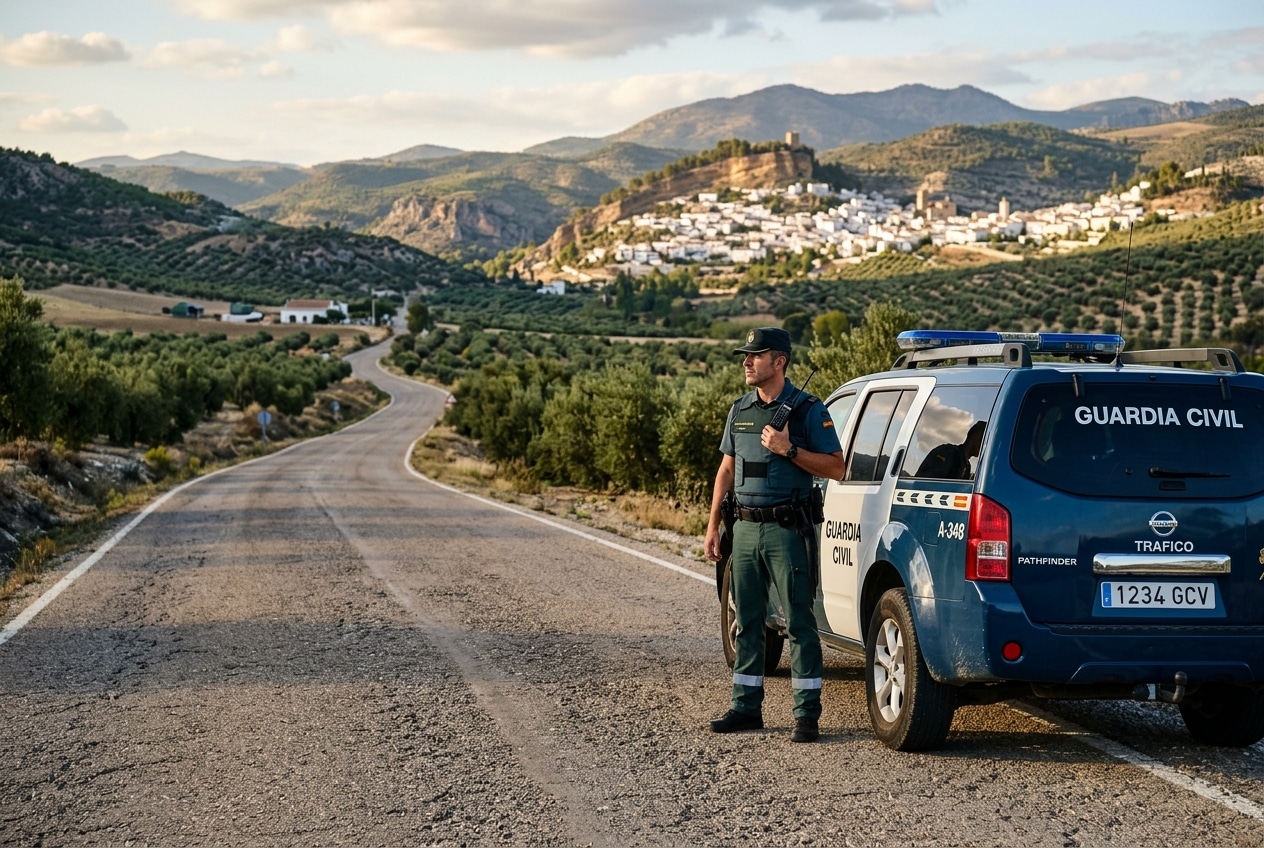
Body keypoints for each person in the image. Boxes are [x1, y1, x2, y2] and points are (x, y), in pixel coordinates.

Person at [704, 327, 846, 743]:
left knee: (800, 622)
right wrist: (713, 525)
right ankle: (746, 708)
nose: (746, 362)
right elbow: (726, 470)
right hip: (744, 529)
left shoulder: (807, 410)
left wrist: (789, 450)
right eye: (745, 355)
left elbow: (837, 467)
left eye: (755, 354)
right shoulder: (740, 410)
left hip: (788, 530)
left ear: (779, 361)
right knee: (747, 622)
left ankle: (806, 716)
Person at [914, 420, 986, 480]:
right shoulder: (948, 452)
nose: (984, 447)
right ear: (977, 437)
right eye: (985, 441)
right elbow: (926, 483)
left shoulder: (967, 467)